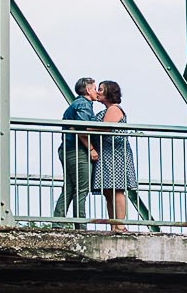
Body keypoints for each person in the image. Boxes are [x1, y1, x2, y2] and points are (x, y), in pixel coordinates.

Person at [54, 77, 102, 223]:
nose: (96, 92)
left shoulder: (78, 104)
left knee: (69, 187)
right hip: (77, 151)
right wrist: (92, 149)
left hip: (68, 149)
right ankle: (80, 225)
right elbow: (82, 130)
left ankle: (58, 222)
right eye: (94, 88)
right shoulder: (83, 104)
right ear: (88, 90)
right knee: (82, 188)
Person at [91, 79, 137, 231]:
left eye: (101, 89)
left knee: (116, 189)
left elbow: (105, 128)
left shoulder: (114, 109)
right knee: (109, 190)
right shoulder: (106, 110)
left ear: (109, 92)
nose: (98, 92)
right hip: (107, 153)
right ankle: (114, 225)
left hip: (115, 154)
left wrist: (86, 130)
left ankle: (119, 225)